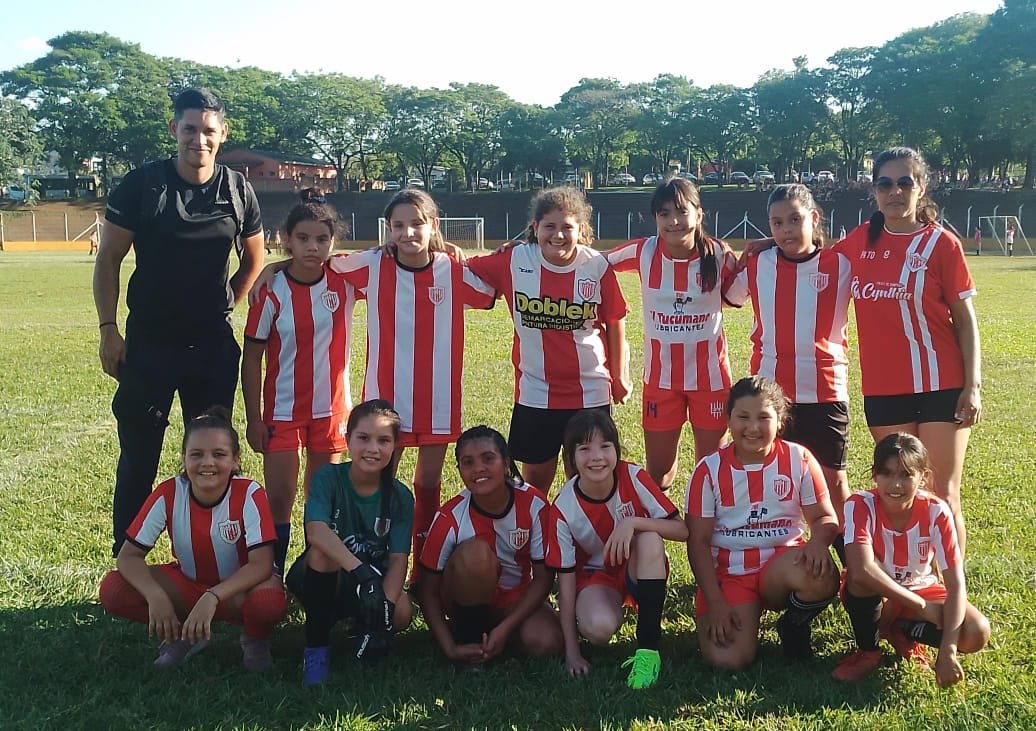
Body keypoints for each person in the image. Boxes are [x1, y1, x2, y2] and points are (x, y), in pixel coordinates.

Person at [93, 87, 265, 557]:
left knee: (213, 457)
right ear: (174, 130)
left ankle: (219, 560)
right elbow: (109, 259)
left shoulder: (236, 188)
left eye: (209, 131)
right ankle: (127, 563)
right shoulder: (143, 185)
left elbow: (254, 257)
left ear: (222, 134)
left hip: (210, 347)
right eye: (190, 129)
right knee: (138, 457)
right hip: (149, 346)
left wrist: (229, 298)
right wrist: (109, 329)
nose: (199, 140)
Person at [834, 147, 980, 555]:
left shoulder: (941, 244)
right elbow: (810, 264)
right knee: (897, 493)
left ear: (921, 188)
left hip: (942, 384)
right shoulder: (858, 241)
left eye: (904, 182)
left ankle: (950, 596)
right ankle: (907, 584)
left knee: (940, 492)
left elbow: (965, 320)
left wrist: (973, 385)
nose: (894, 191)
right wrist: (765, 246)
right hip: (884, 391)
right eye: (884, 183)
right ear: (874, 190)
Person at [466, 187, 632, 491]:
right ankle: (538, 537)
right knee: (535, 486)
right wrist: (447, 248)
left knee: (587, 482)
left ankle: (582, 537)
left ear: (580, 230)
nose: (558, 236)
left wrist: (620, 376)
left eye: (567, 227)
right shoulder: (515, 259)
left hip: (590, 391)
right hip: (535, 392)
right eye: (550, 227)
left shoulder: (595, 266)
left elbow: (615, 322)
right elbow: (462, 269)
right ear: (535, 228)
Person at [98, 407, 287, 671]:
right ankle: (182, 635)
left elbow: (261, 565)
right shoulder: (169, 493)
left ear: (235, 460)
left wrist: (212, 597)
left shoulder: (249, 493)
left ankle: (254, 639)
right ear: (184, 459)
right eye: (196, 454)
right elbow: (128, 556)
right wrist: (156, 596)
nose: (207, 463)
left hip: (238, 591)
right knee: (114, 589)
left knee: (268, 602)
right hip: (189, 584)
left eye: (219, 454)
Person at [724, 184, 853, 559]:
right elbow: (729, 296)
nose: (786, 230)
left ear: (813, 219)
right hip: (769, 394)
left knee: (833, 481)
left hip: (825, 389)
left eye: (795, 219)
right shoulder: (759, 264)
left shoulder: (841, 263)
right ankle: (767, 554)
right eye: (777, 223)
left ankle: (855, 570)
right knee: (770, 475)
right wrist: (756, 247)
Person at [685, 376, 839, 670]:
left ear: (780, 421)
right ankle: (734, 610)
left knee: (821, 575)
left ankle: (793, 624)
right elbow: (698, 542)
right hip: (729, 574)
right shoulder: (708, 470)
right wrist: (716, 602)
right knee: (727, 660)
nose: (753, 427)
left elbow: (824, 517)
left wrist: (819, 541)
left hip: (781, 566)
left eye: (763, 418)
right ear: (728, 419)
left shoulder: (799, 459)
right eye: (743, 417)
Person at [242, 195, 355, 574]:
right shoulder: (270, 291)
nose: (313, 247)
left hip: (332, 410)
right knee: (279, 499)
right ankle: (270, 575)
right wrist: (253, 418)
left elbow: (395, 256)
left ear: (332, 242)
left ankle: (312, 575)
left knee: (322, 499)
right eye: (303, 238)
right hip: (282, 411)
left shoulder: (346, 280)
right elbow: (252, 357)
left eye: (322, 239)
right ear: (287, 238)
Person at [606, 178, 737, 490]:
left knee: (712, 473)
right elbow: (591, 263)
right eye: (664, 213)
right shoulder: (643, 252)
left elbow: (749, 281)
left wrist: (764, 245)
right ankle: (659, 530)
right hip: (661, 382)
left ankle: (709, 535)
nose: (674, 221)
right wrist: (529, 247)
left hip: (711, 381)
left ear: (699, 215)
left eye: (682, 211)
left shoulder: (719, 255)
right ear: (655, 219)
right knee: (659, 474)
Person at [833, 433, 990, 685]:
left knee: (975, 632)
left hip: (922, 589)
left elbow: (956, 584)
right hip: (880, 595)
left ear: (923, 477)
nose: (895, 484)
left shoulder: (936, 511)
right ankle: (868, 652)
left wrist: (948, 650)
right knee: (858, 580)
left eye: (906, 474)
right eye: (887, 473)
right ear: (874, 474)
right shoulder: (860, 504)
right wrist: (921, 607)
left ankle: (903, 630)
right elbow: (862, 570)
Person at [546, 409, 687, 689]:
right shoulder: (563, 507)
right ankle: (608, 607)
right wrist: (571, 652)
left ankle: (647, 651)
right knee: (598, 630)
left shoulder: (634, 476)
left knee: (648, 537)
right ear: (571, 458)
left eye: (605, 446)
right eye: (585, 448)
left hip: (637, 565)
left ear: (616, 451)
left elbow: (682, 530)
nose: (597, 457)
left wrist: (633, 522)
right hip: (596, 577)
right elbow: (565, 579)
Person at [285, 400, 415, 686]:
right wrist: (361, 572)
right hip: (324, 576)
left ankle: (364, 628)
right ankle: (316, 645)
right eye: (364, 438)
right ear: (347, 440)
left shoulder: (400, 496)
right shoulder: (328, 477)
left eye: (383, 440)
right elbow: (316, 532)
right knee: (324, 553)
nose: (373, 448)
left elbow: (398, 560)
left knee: (402, 613)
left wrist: (384, 611)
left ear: (395, 446)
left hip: (369, 582)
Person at [418, 425, 562, 666]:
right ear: (460, 470)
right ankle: (469, 637)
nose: (479, 469)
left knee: (546, 642)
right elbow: (427, 589)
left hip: (513, 598)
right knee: (477, 555)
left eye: (488, 458)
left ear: (506, 463)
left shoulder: (535, 504)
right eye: (468, 462)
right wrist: (448, 647)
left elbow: (543, 578)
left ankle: (498, 636)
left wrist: (505, 628)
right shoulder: (450, 516)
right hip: (462, 598)